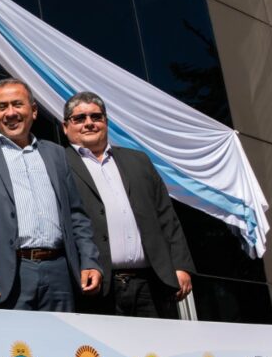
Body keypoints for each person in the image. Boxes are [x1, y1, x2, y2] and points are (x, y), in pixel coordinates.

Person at [0, 78, 101, 311]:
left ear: (33, 111)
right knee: (14, 347)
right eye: (2, 107)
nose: (10, 113)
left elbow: (76, 215)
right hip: (7, 273)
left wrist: (89, 261)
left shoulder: (56, 154)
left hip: (60, 272)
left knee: (61, 344)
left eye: (17, 104)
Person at [62, 91, 195, 318]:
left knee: (157, 352)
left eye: (96, 117)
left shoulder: (138, 161)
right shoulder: (59, 162)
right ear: (66, 127)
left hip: (151, 284)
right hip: (97, 287)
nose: (89, 123)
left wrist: (181, 265)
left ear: (106, 122)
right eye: (79, 118)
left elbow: (166, 217)